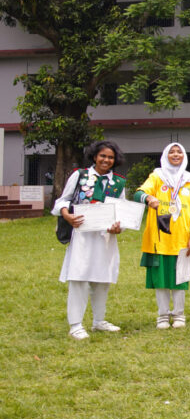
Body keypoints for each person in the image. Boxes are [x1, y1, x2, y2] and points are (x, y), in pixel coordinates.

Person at [55, 140, 127, 339]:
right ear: (95, 156)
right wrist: (67, 215)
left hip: (105, 239)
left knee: (103, 279)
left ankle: (99, 321)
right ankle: (76, 324)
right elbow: (63, 200)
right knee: (79, 278)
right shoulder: (80, 175)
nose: (106, 160)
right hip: (83, 236)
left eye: (110, 157)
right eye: (103, 156)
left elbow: (121, 211)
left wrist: (119, 227)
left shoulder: (119, 183)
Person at [134, 142, 190, 329]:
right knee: (161, 279)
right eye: (171, 152)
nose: (175, 154)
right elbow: (137, 193)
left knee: (180, 278)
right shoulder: (157, 176)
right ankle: (162, 315)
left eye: (179, 151)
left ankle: (179, 315)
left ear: (184, 156)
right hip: (159, 238)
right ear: (165, 156)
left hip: (181, 238)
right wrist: (149, 198)